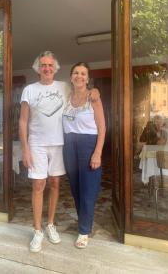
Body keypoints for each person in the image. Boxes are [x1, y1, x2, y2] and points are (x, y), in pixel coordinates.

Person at [19, 51, 68, 252]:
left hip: (59, 143)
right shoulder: (29, 90)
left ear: (55, 68)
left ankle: (50, 224)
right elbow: (22, 121)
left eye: (50, 65)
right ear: (38, 69)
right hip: (37, 143)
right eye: (43, 65)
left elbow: (83, 92)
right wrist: (25, 150)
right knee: (39, 184)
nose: (46, 68)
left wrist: (95, 92)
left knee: (55, 183)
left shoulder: (65, 87)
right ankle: (37, 230)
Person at [62, 62, 106, 249]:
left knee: (88, 190)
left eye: (83, 73)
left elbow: (102, 127)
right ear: (71, 77)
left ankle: (84, 231)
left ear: (88, 78)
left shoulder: (93, 97)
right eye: (75, 73)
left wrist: (97, 153)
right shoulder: (66, 97)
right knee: (76, 189)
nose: (79, 76)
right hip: (69, 145)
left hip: (89, 145)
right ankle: (83, 224)